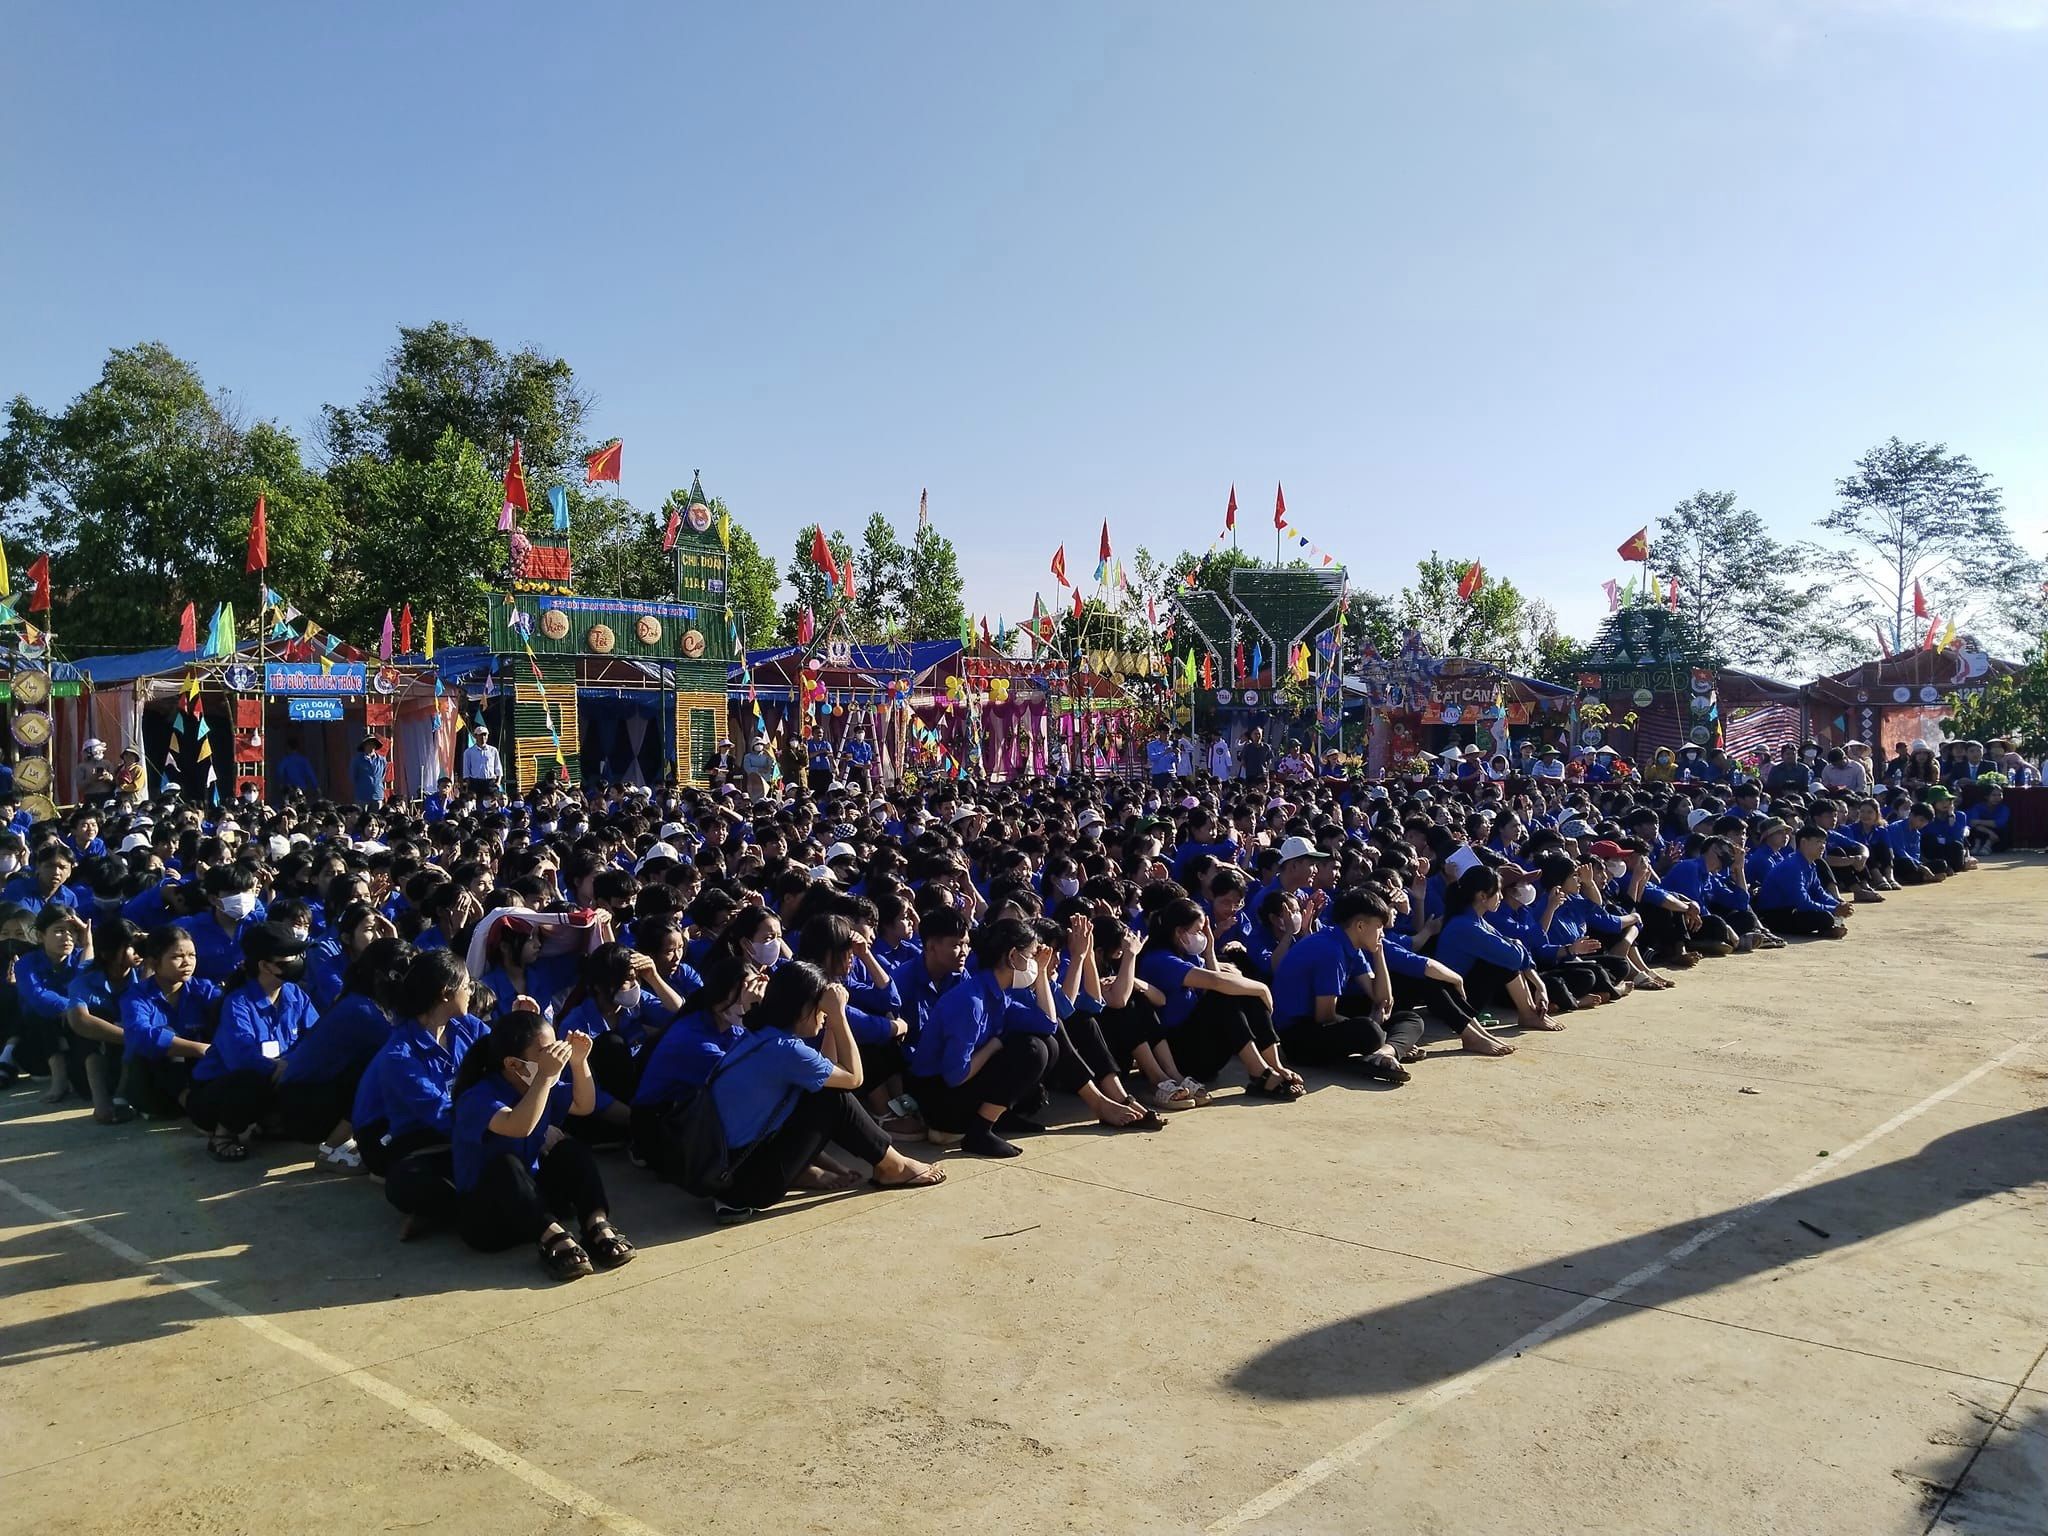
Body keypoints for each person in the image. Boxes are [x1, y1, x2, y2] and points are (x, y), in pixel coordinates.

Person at [449, 1009, 636, 1279]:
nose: (555, 1058)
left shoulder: (541, 1083)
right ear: (513, 1064)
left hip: (533, 1199)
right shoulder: (478, 1097)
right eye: (546, 1053)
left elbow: (584, 1105)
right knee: (504, 1165)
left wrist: (579, 1062)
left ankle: (596, 1223)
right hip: (490, 1216)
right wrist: (545, 1078)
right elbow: (518, 1126)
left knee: (570, 1150)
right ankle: (553, 1238)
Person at [187, 924, 316, 1161]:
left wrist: (290, 1064)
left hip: (278, 1076)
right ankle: (222, 1136)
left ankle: (270, 1124)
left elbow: (314, 1038)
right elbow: (240, 1057)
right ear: (264, 965)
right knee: (251, 1078)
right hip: (219, 1093)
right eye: (286, 959)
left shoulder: (295, 994)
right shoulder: (238, 1002)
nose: (296, 962)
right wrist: (277, 1067)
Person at [1270, 889, 1416, 1083]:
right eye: (1379, 927)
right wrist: (1373, 1021)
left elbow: (1383, 999)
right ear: (1360, 926)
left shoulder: (1349, 943)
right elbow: (1324, 1016)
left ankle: (1384, 1053)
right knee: (1370, 1031)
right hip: (1298, 1036)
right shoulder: (1331, 950)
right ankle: (1384, 1050)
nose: (1382, 933)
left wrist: (1378, 953)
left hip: (1319, 1019)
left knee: (1410, 1018)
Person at [64, 915, 141, 1123]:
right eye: (130, 946)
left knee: (142, 1018)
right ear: (107, 953)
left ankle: (122, 1097)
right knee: (96, 1016)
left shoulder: (144, 973)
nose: (138, 951)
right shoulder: (86, 978)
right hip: (89, 1075)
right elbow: (79, 1021)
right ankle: (101, 1103)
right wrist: (134, 1037)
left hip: (129, 1066)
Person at [16, 906, 92, 1104]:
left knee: (85, 1090)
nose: (67, 937)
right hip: (37, 1044)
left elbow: (89, 991)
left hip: (74, 1032)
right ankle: (58, 1075)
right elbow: (39, 998)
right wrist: (75, 1008)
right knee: (43, 1014)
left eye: (73, 931)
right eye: (59, 930)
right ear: (41, 936)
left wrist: (88, 945)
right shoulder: (26, 963)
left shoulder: (81, 956)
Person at [1755, 826, 1853, 938]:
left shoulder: (1810, 864)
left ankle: (1828, 929)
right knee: (1825, 917)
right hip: (1773, 914)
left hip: (1790, 909)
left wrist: (1838, 905)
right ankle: (1827, 929)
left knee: (1828, 915)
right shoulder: (1792, 866)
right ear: (1804, 842)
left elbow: (1819, 893)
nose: (1822, 846)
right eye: (1818, 842)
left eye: (1824, 842)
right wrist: (1834, 909)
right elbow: (1802, 902)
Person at [460, 725, 504, 798]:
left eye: (485, 735)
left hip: (490, 782)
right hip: (475, 782)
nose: (483, 737)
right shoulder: (468, 752)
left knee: (491, 802)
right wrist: (468, 784)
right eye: (480, 735)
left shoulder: (493, 750)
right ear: (475, 736)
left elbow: (498, 767)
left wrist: (498, 782)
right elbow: (466, 770)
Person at [351, 736, 390, 805]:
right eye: (368, 744)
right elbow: (353, 776)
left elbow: (382, 775)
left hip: (377, 795)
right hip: (362, 796)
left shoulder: (382, 760)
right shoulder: (357, 760)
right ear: (364, 746)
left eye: (373, 744)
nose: (371, 746)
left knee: (377, 812)